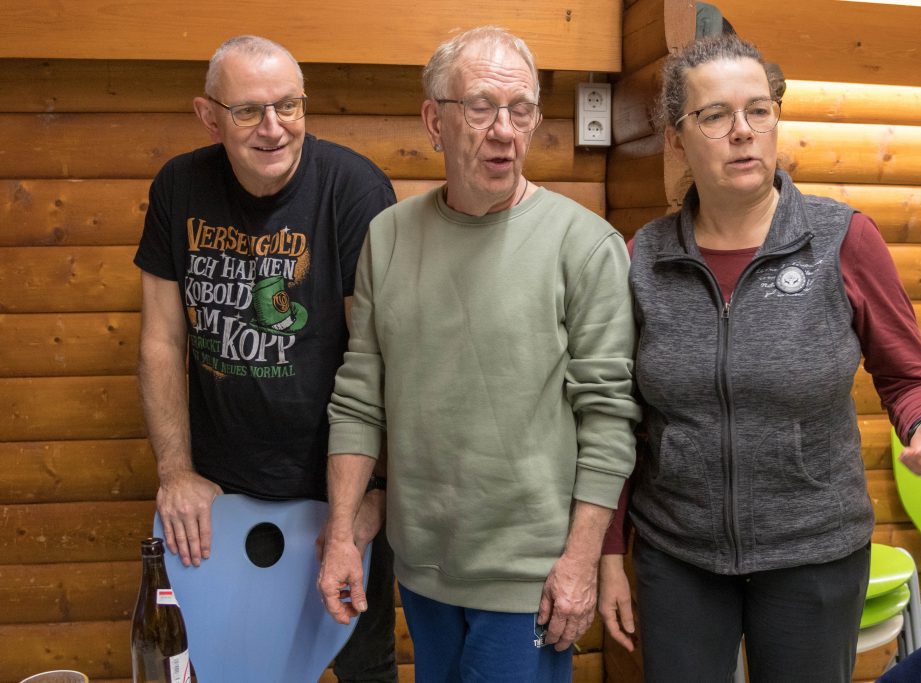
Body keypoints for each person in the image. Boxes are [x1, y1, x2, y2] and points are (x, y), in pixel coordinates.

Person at [596, 32, 921, 682]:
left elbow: (908, 375)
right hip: (677, 552)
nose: (742, 131)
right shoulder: (644, 259)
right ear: (676, 138)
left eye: (759, 110)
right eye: (715, 115)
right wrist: (609, 552)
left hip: (814, 553)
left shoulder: (841, 239)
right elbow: (619, 420)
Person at [316, 26, 641, 683]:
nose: (504, 131)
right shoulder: (388, 236)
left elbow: (608, 419)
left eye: (521, 110)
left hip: (531, 579)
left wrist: (581, 561)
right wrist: (343, 535)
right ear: (434, 121)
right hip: (423, 569)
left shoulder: (584, 245)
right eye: (482, 107)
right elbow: (359, 396)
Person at [134, 35, 398, 682]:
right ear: (210, 117)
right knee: (222, 666)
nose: (274, 128)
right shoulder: (179, 186)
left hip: (337, 491)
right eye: (249, 110)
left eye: (289, 105)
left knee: (364, 668)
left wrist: (376, 495)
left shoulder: (353, 187)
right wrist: (175, 471)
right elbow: (161, 339)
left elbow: (380, 358)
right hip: (219, 498)